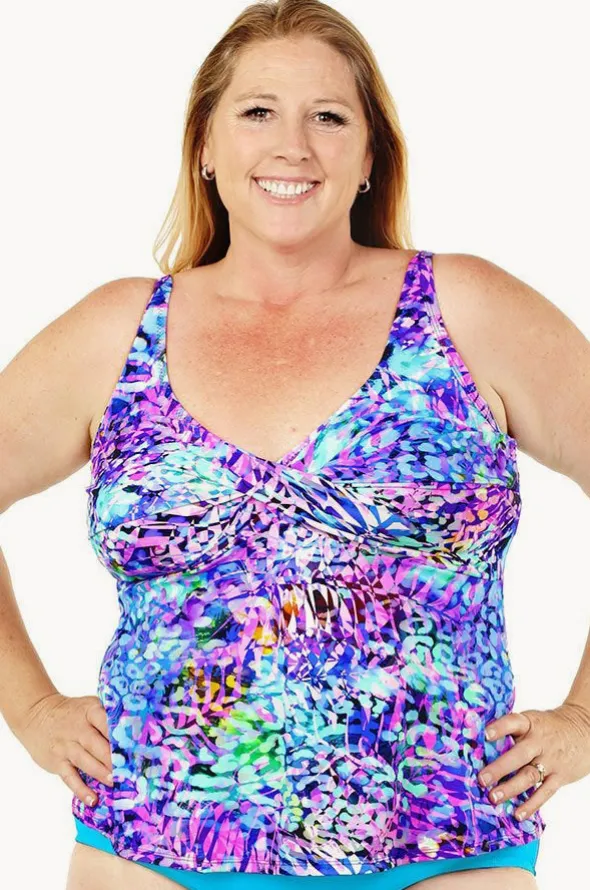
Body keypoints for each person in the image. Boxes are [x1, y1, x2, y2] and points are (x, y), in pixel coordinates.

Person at [2, 1, 590, 888]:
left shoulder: (466, 311)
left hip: (447, 852)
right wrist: (31, 708)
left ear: (370, 154)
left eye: (328, 117)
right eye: (258, 111)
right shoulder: (118, 333)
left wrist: (584, 720)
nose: (293, 146)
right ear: (205, 145)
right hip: (151, 852)